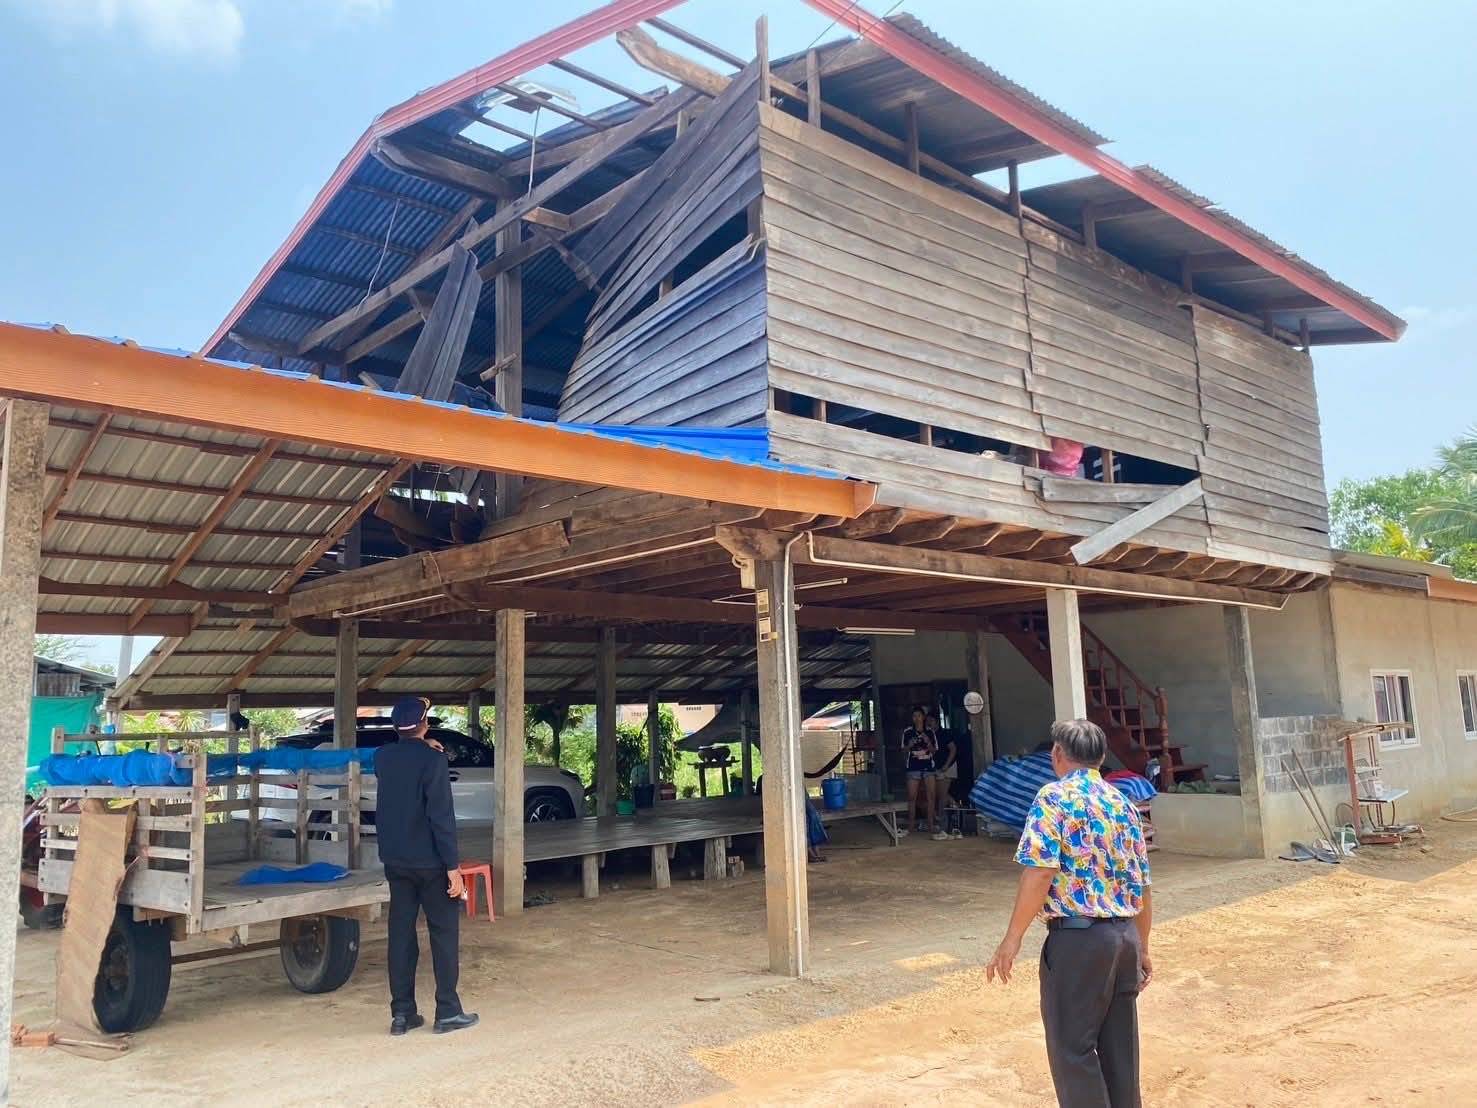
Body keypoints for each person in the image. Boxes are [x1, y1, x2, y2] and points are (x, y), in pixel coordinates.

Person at [985, 719, 1152, 1108]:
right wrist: (1143, 947)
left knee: (1073, 1050)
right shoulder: (1122, 803)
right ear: (1101, 757)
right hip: (1124, 936)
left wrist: (1012, 938)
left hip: (1079, 940)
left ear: (1057, 754)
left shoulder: (1054, 798)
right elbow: (1142, 883)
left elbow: (1040, 871)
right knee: (1120, 1051)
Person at [374, 696, 479, 1037]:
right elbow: (440, 816)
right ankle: (447, 1010)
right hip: (432, 863)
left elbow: (403, 760)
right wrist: (452, 867)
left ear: (396, 727)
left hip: (396, 860)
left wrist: (421, 745)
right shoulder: (434, 761)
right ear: (425, 724)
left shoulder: (382, 758)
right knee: (443, 933)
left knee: (401, 935)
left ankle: (402, 1014)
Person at [900, 706, 938, 836]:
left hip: (928, 766)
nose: (917, 718)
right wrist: (909, 745)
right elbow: (903, 750)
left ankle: (931, 824)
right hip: (913, 766)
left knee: (931, 796)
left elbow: (934, 751)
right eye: (914, 716)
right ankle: (911, 825)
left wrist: (928, 742)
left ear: (923, 717)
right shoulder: (908, 732)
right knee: (912, 797)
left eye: (919, 716)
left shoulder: (930, 732)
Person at [928, 710, 959, 840]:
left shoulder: (945, 733)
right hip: (936, 768)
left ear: (937, 721)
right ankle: (954, 807)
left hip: (947, 767)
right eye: (928, 721)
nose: (929, 723)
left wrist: (946, 765)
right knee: (940, 794)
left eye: (931, 721)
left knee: (942, 796)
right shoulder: (929, 735)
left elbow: (953, 749)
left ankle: (943, 824)